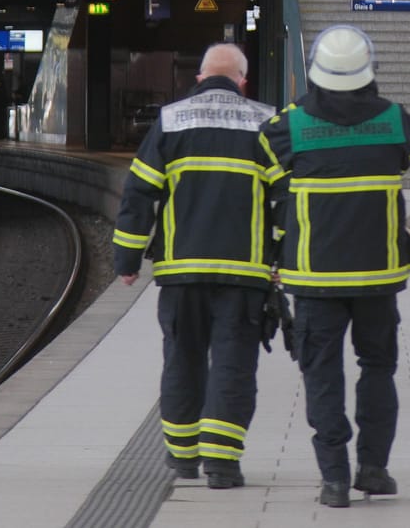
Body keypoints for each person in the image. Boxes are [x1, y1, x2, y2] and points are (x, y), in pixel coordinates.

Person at [259, 25, 410, 509]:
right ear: (369, 70)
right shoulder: (398, 121)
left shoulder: (286, 129)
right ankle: (374, 468)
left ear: (315, 71)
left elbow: (270, 182)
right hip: (378, 275)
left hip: (314, 277)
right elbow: (403, 161)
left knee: (321, 374)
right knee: (378, 369)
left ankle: (333, 478)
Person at [112, 43, 277, 490]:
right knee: (233, 364)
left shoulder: (170, 120)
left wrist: (127, 260)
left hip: (182, 272)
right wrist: (280, 261)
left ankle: (183, 457)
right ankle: (222, 466)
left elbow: (139, 193)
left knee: (182, 358)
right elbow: (284, 201)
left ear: (201, 79)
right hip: (244, 274)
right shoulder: (266, 122)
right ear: (243, 82)